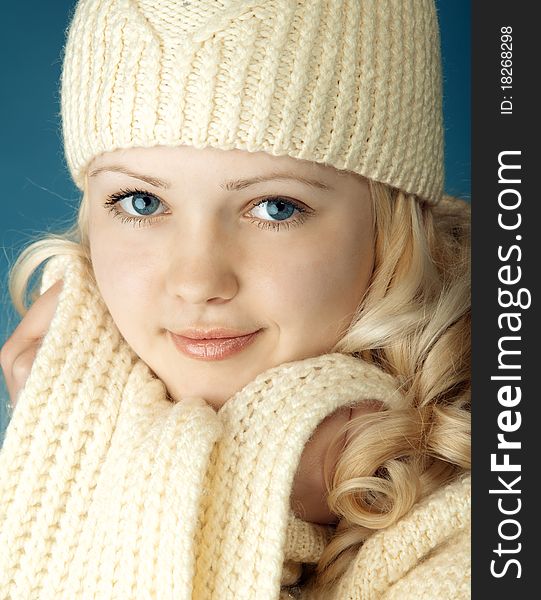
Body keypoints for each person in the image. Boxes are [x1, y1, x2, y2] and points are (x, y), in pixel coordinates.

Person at [0, 0, 470, 598]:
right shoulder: (47, 466)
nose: (197, 282)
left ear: (392, 230)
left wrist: (247, 492)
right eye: (142, 202)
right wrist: (72, 454)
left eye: (275, 208)